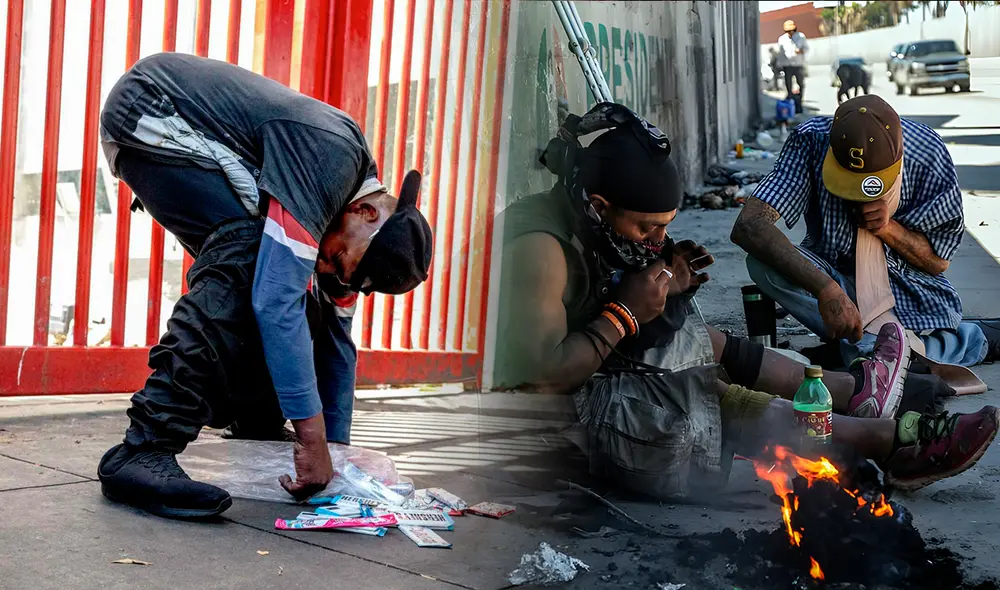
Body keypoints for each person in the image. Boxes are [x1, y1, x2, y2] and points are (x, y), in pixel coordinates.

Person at [494, 102, 998, 500]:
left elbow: (938, 260)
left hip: (593, 381)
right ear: (600, 206)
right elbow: (543, 379)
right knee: (686, 393)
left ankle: (851, 390)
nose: (655, 241)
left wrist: (669, 282)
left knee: (684, 333)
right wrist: (625, 312)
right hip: (543, 426)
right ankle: (880, 442)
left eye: (664, 227)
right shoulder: (540, 249)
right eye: (648, 228)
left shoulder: (591, 220)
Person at [95, 53, 433, 519]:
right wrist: (312, 439)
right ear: (367, 213)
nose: (329, 269)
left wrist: (335, 456)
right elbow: (275, 301)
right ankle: (143, 449)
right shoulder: (332, 157)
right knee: (256, 261)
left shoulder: (346, 231)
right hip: (151, 112)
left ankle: (257, 426)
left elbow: (337, 344)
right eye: (336, 260)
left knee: (294, 287)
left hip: (182, 136)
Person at [732, 95, 998, 369]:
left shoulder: (927, 153)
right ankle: (876, 353)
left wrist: (887, 229)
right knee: (761, 260)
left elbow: (938, 261)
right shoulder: (811, 140)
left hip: (905, 289)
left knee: (870, 358)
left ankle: (969, 340)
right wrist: (826, 289)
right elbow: (749, 226)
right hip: (832, 274)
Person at [777, 20, 808, 114]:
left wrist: (801, 51)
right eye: (788, 31)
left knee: (800, 83)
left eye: (792, 30)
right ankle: (790, 100)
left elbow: (806, 49)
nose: (790, 33)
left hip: (798, 65)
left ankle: (800, 100)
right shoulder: (782, 39)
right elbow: (780, 53)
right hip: (787, 65)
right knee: (788, 84)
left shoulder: (801, 37)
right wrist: (779, 65)